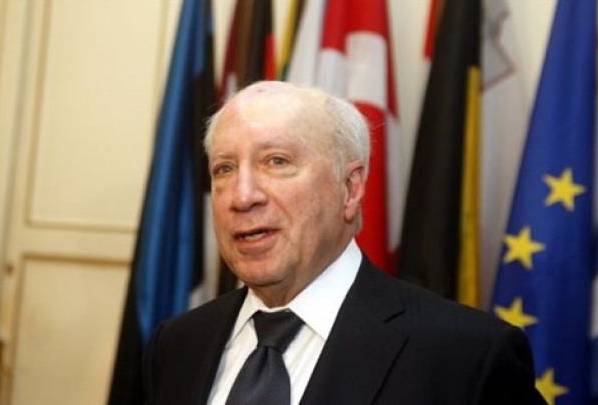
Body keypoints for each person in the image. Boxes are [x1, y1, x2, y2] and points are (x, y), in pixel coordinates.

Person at [142, 81, 545, 404]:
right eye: (224, 169)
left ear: (350, 189)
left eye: (276, 161)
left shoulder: (466, 356)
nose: (242, 195)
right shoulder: (176, 345)